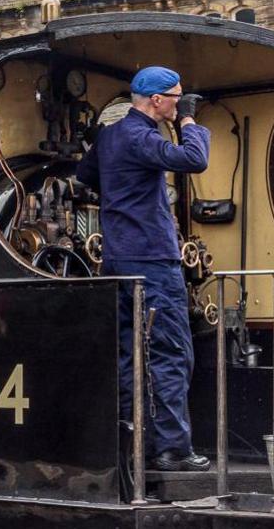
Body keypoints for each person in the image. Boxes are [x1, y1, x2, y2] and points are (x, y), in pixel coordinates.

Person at [75, 65, 211, 472]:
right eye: (175, 96)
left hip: (117, 258)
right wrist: (188, 119)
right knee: (170, 351)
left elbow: (85, 175)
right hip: (152, 259)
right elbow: (194, 158)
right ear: (156, 100)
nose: (178, 102)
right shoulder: (140, 136)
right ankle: (171, 448)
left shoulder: (111, 137)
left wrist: (124, 196)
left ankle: (135, 443)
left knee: (129, 353)